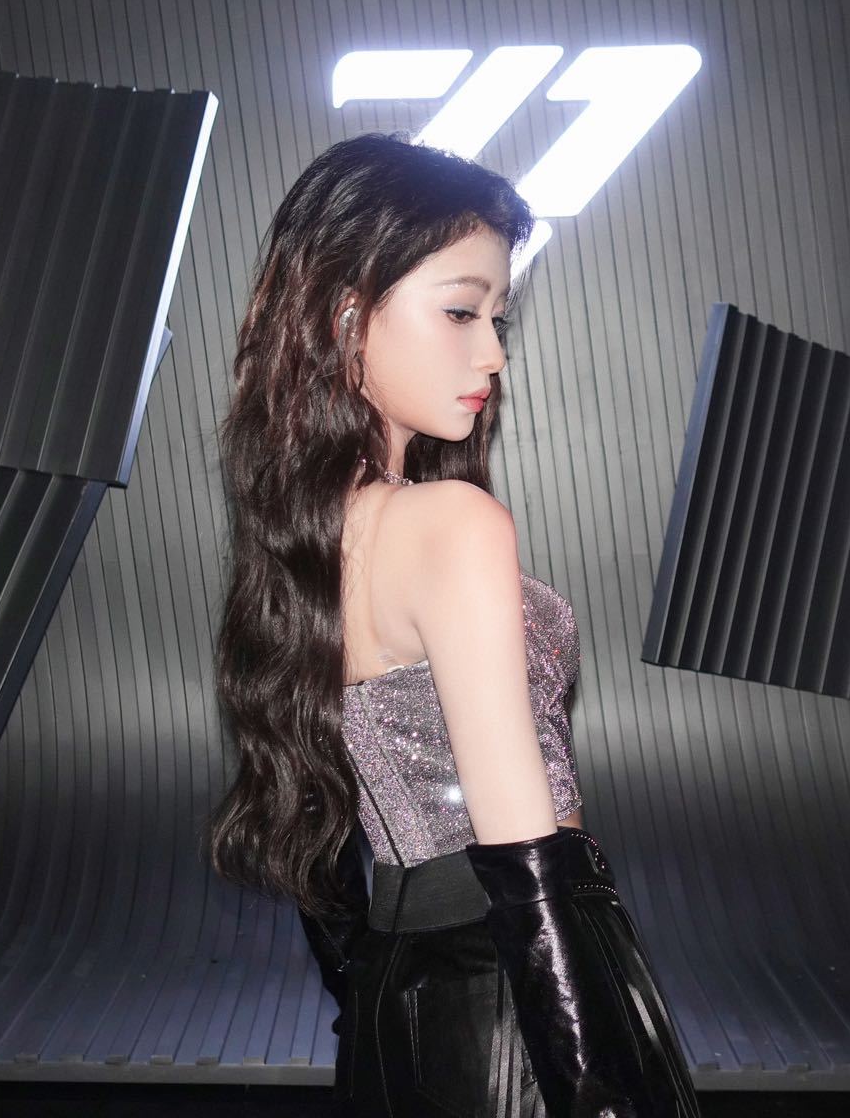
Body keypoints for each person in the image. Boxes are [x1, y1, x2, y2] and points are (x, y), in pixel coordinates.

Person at [207, 132, 700, 1115]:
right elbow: (523, 848)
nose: (493, 353)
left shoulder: (307, 541)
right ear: (348, 312)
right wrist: (602, 1092)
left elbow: (317, 834)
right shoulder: (451, 524)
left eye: (498, 316)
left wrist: (378, 1006)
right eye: (462, 310)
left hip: (395, 1001)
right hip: (527, 1000)